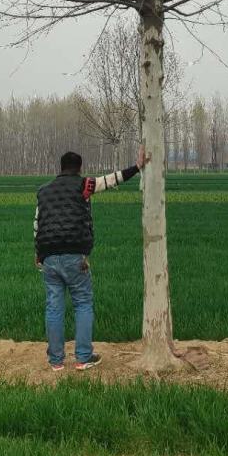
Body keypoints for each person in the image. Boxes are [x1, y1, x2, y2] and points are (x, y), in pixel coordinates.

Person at [34, 144, 148, 371]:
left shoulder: (43, 191)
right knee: (83, 303)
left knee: (53, 307)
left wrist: (38, 254)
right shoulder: (84, 185)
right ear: (79, 169)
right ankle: (83, 357)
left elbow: (37, 224)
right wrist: (137, 167)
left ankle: (56, 362)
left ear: (61, 167)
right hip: (75, 254)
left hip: (48, 256)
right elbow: (112, 179)